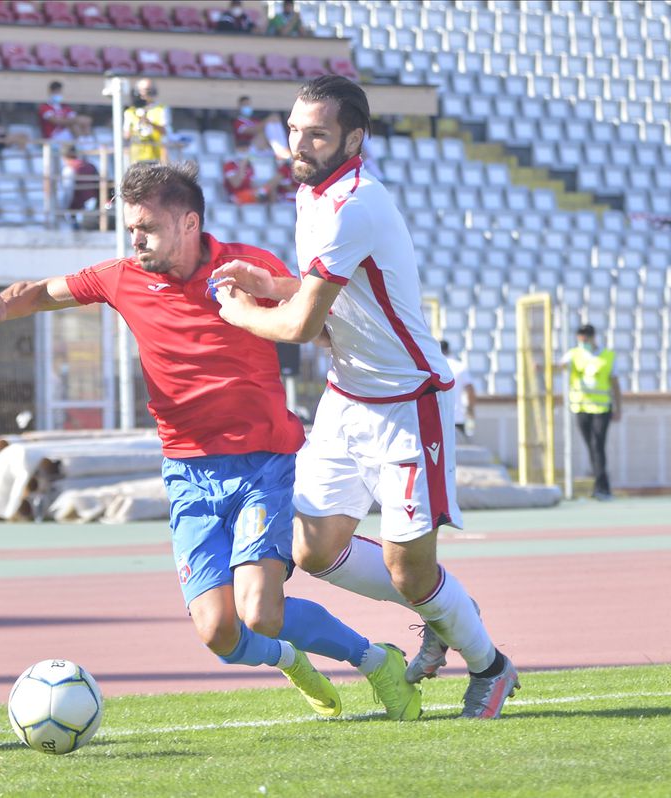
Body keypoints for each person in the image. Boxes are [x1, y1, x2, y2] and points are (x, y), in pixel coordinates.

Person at [0, 161, 421, 722]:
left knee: (258, 612)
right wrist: (4, 301)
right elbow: (46, 293)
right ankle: (291, 662)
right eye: (130, 228)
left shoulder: (249, 267)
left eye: (146, 228)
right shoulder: (120, 278)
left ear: (188, 223)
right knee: (220, 635)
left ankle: (375, 661)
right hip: (187, 473)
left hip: (264, 466)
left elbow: (321, 325)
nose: (135, 240)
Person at [212, 76, 518, 719]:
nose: (298, 142)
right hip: (346, 398)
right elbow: (329, 302)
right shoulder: (311, 195)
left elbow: (300, 328)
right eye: (293, 129)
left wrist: (241, 312)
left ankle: (489, 665)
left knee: (412, 573)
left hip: (410, 405)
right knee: (313, 550)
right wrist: (270, 282)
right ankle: (442, 605)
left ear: (354, 139)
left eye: (315, 133)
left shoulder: (357, 203)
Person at [561, 324, 621, 501]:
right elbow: (560, 367)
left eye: (585, 340)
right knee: (591, 447)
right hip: (581, 407)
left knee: (598, 446)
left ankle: (603, 488)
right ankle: (599, 486)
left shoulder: (608, 356)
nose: (583, 343)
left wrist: (618, 407)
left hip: (602, 409)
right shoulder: (574, 354)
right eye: (580, 340)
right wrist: (540, 367)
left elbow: (614, 383)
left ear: (593, 337)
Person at [123, 78, 170, 164]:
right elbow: (126, 136)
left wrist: (150, 123)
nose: (144, 93)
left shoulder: (160, 109)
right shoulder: (130, 111)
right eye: (141, 90)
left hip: (155, 155)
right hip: (136, 156)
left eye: (147, 90)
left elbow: (164, 131)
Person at [59, 143, 101, 230]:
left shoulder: (69, 169)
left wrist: (63, 209)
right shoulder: (91, 166)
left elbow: (68, 193)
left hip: (78, 211)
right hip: (93, 207)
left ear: (63, 157)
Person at [440, 341, 476, 441]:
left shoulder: (433, 366)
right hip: (458, 417)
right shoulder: (459, 367)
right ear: (449, 350)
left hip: (439, 417)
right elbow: (470, 389)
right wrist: (470, 410)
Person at [38, 80, 93, 145]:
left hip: (66, 135)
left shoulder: (65, 107)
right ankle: (85, 147)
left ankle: (88, 144)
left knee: (83, 124)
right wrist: (75, 120)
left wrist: (80, 120)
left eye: (59, 91)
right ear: (50, 92)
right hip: (53, 137)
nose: (58, 94)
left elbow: (75, 118)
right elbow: (55, 121)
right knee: (74, 125)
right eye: (56, 92)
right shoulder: (44, 107)